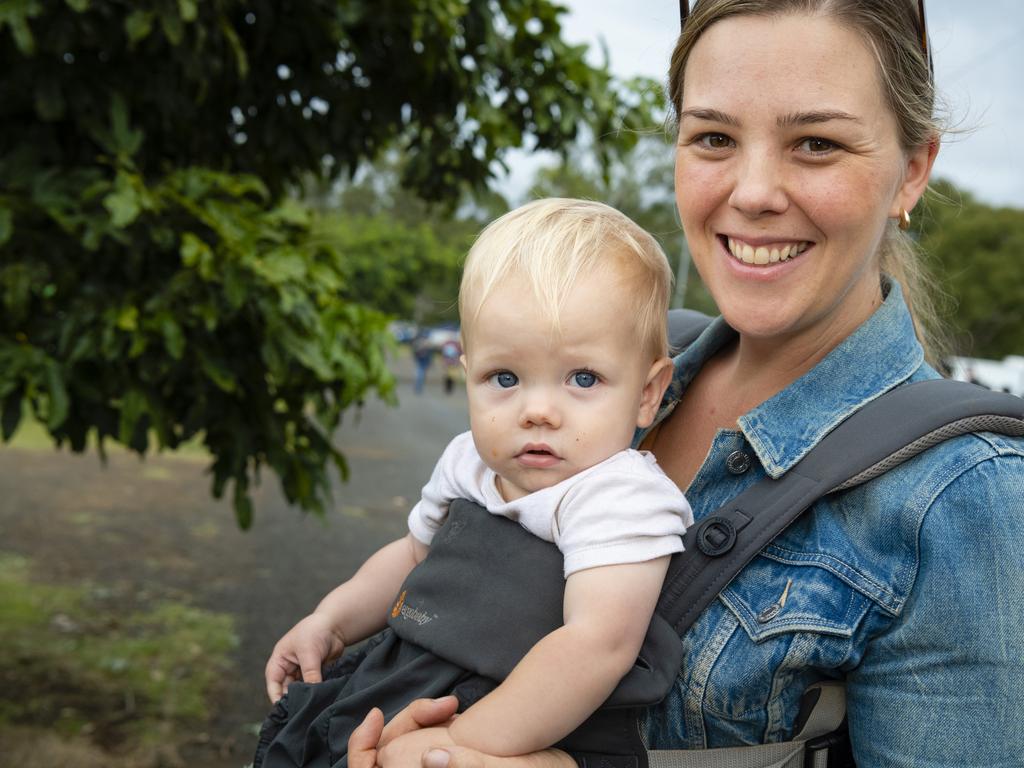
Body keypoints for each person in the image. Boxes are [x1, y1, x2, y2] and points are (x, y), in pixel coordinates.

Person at [346, 2, 1024, 767]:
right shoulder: (624, 364)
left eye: (816, 143)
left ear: (912, 170)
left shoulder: (969, 498)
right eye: (714, 138)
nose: (755, 191)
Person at [261, 198, 694, 763]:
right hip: (395, 685)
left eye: (582, 378)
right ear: (467, 374)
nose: (538, 410)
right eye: (505, 377)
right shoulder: (469, 460)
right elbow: (414, 556)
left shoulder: (618, 495)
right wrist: (332, 621)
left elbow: (597, 645)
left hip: (514, 721)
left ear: (646, 393)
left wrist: (461, 744)